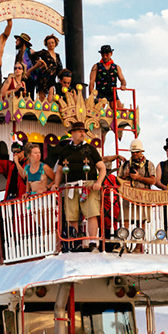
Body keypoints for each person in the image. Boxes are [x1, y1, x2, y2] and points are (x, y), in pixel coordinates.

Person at [51, 121, 106, 251]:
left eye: (84, 131)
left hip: (89, 186)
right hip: (70, 187)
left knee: (91, 213)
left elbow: (102, 168)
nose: (83, 134)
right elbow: (59, 170)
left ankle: (93, 241)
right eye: (80, 131)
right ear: (73, 133)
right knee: (72, 215)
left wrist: (98, 183)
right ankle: (75, 243)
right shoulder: (65, 150)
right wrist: (56, 184)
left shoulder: (90, 149)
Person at [32, 34, 63, 99]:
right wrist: (40, 61)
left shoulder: (57, 55)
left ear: (55, 43)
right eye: (49, 43)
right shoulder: (44, 52)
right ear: (46, 44)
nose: (51, 44)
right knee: (42, 95)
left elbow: (60, 68)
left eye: (52, 42)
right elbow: (33, 55)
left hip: (53, 78)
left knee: (52, 93)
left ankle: (48, 107)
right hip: (44, 77)